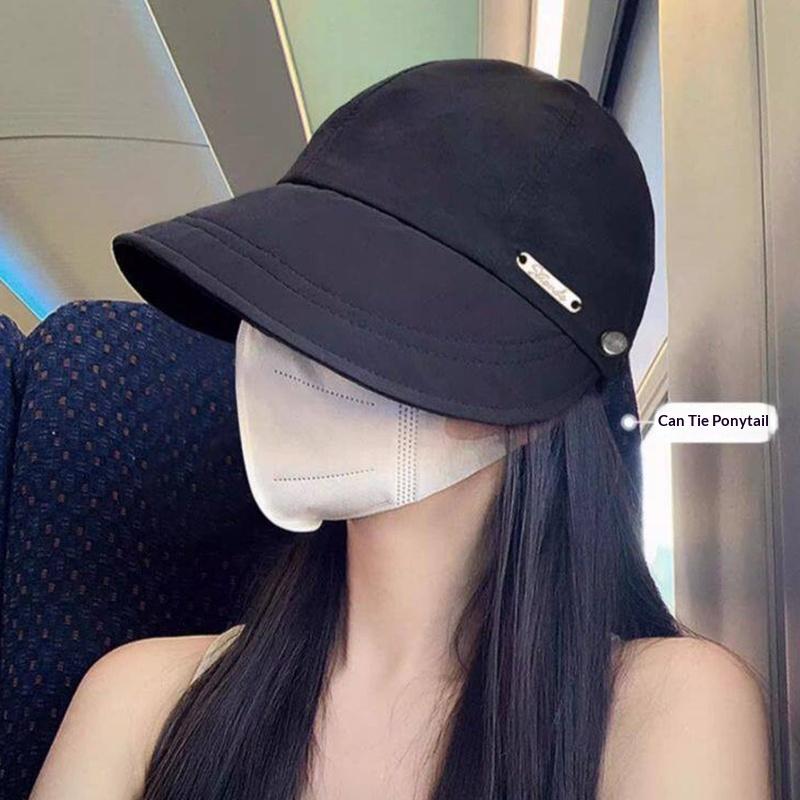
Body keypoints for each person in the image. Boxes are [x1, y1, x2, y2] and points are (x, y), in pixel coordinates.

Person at [30, 59, 771, 799]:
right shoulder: (139, 700)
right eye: (289, 295)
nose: (296, 346)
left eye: (369, 308)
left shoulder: (661, 712)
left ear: (533, 400)